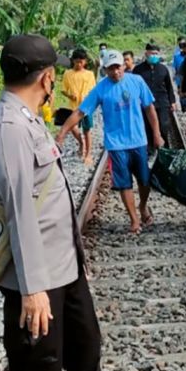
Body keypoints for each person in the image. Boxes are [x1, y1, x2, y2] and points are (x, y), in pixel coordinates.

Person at [0, 34, 105, 371]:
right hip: (37, 280)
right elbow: (19, 209)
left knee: (86, 351)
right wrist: (33, 291)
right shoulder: (9, 129)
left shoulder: (27, 119)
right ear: (47, 78)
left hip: (64, 268)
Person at [56, 50, 164, 234]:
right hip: (116, 144)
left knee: (145, 180)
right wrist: (62, 133)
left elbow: (149, 108)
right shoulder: (101, 88)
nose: (116, 72)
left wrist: (157, 134)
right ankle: (134, 219)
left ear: (124, 65)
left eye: (118, 67)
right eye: (111, 69)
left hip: (138, 140)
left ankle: (143, 206)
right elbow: (81, 112)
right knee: (124, 183)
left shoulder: (136, 81)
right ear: (105, 70)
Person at [133, 43, 176, 148]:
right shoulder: (138, 70)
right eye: (152, 53)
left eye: (156, 54)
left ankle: (165, 148)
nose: (154, 56)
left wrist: (172, 101)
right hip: (145, 103)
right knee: (147, 127)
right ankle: (151, 149)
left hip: (162, 102)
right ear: (146, 53)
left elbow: (169, 86)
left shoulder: (163, 69)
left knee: (164, 126)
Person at [61, 48, 97, 165]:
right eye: (77, 62)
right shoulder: (68, 74)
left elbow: (93, 90)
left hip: (86, 108)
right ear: (73, 61)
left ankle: (88, 154)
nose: (79, 64)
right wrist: (70, 95)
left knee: (87, 130)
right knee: (72, 127)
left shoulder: (89, 74)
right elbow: (63, 89)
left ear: (85, 62)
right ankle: (81, 143)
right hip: (73, 106)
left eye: (81, 62)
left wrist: (88, 98)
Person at [172, 38, 186, 112]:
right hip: (180, 79)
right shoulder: (177, 56)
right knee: (182, 94)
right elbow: (174, 68)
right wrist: (175, 77)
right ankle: (184, 108)